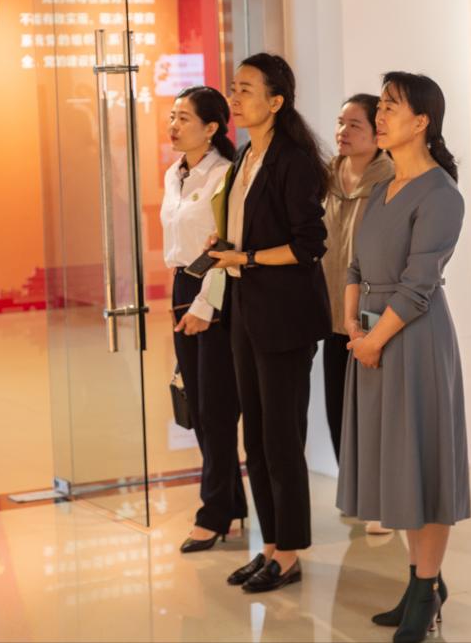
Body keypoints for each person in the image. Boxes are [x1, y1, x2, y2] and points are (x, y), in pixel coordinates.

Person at [336, 71, 470, 643]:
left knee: (425, 466)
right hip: (371, 335)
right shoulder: (382, 186)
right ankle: (421, 583)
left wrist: (372, 339)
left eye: (391, 106)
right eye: (381, 106)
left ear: (422, 122)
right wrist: (351, 322)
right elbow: (355, 264)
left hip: (412, 340)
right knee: (400, 466)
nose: (381, 115)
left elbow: (418, 287)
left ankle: (426, 587)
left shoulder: (441, 195)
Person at [208, 53, 332, 593]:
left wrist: (248, 257)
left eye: (246, 90)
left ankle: (290, 551)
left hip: (285, 315)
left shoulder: (292, 160)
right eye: (233, 88)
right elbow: (250, 226)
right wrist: (226, 247)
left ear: (276, 101)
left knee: (282, 440)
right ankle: (270, 544)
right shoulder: (244, 156)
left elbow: (309, 245)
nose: (234, 98)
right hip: (245, 307)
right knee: (254, 438)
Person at [160, 86, 247, 553]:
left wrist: (203, 306)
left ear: (211, 128)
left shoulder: (224, 174)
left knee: (216, 409)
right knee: (197, 404)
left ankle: (213, 513)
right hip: (182, 287)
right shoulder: (173, 174)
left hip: (213, 290)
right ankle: (232, 503)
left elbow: (224, 246)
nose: (173, 125)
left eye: (184, 118)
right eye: (172, 116)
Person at [321, 94, 393, 477]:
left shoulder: (390, 177)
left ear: (376, 132)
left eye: (354, 125)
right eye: (340, 123)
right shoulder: (327, 174)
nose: (343, 132)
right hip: (333, 315)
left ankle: (376, 493)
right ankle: (352, 490)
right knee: (338, 411)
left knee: (372, 414)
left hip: (373, 318)